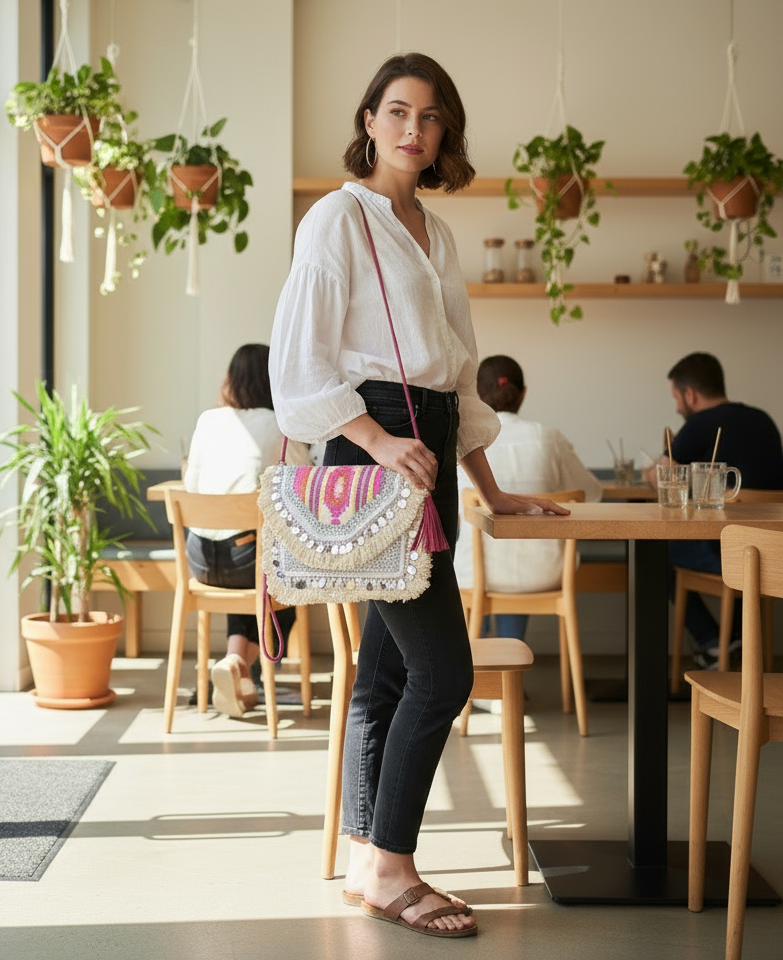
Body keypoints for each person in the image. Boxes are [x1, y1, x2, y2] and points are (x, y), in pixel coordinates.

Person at [269, 53, 567, 938]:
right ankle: (394, 866)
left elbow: (461, 380)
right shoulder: (336, 218)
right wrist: (375, 439)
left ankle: (369, 856)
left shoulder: (432, 233)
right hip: (374, 441)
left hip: (425, 435)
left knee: (393, 670)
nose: (412, 129)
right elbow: (301, 364)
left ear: (445, 133)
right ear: (368, 121)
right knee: (445, 671)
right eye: (396, 111)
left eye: (430, 117)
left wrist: (494, 488)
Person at [183, 343, 310, 718]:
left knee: (252, 561)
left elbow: (191, 484)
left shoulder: (208, 420)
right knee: (291, 579)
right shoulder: (279, 426)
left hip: (200, 560)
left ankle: (236, 664)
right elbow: (302, 482)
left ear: (231, 379)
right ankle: (243, 667)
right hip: (246, 560)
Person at [454, 355, 603, 642]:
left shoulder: (463, 441)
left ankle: (484, 674)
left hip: (475, 573)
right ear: (523, 393)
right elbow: (591, 494)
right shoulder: (549, 438)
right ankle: (511, 669)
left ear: (477, 394)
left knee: (476, 564)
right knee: (515, 559)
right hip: (544, 572)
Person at [650, 352, 783, 668]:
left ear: (690, 394)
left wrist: (652, 473)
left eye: (676, 397)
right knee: (743, 537)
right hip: (773, 552)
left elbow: (664, 477)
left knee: (655, 553)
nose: (677, 406)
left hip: (727, 554)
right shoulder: (764, 420)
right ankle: (736, 642)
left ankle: (712, 644)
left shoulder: (698, 425)